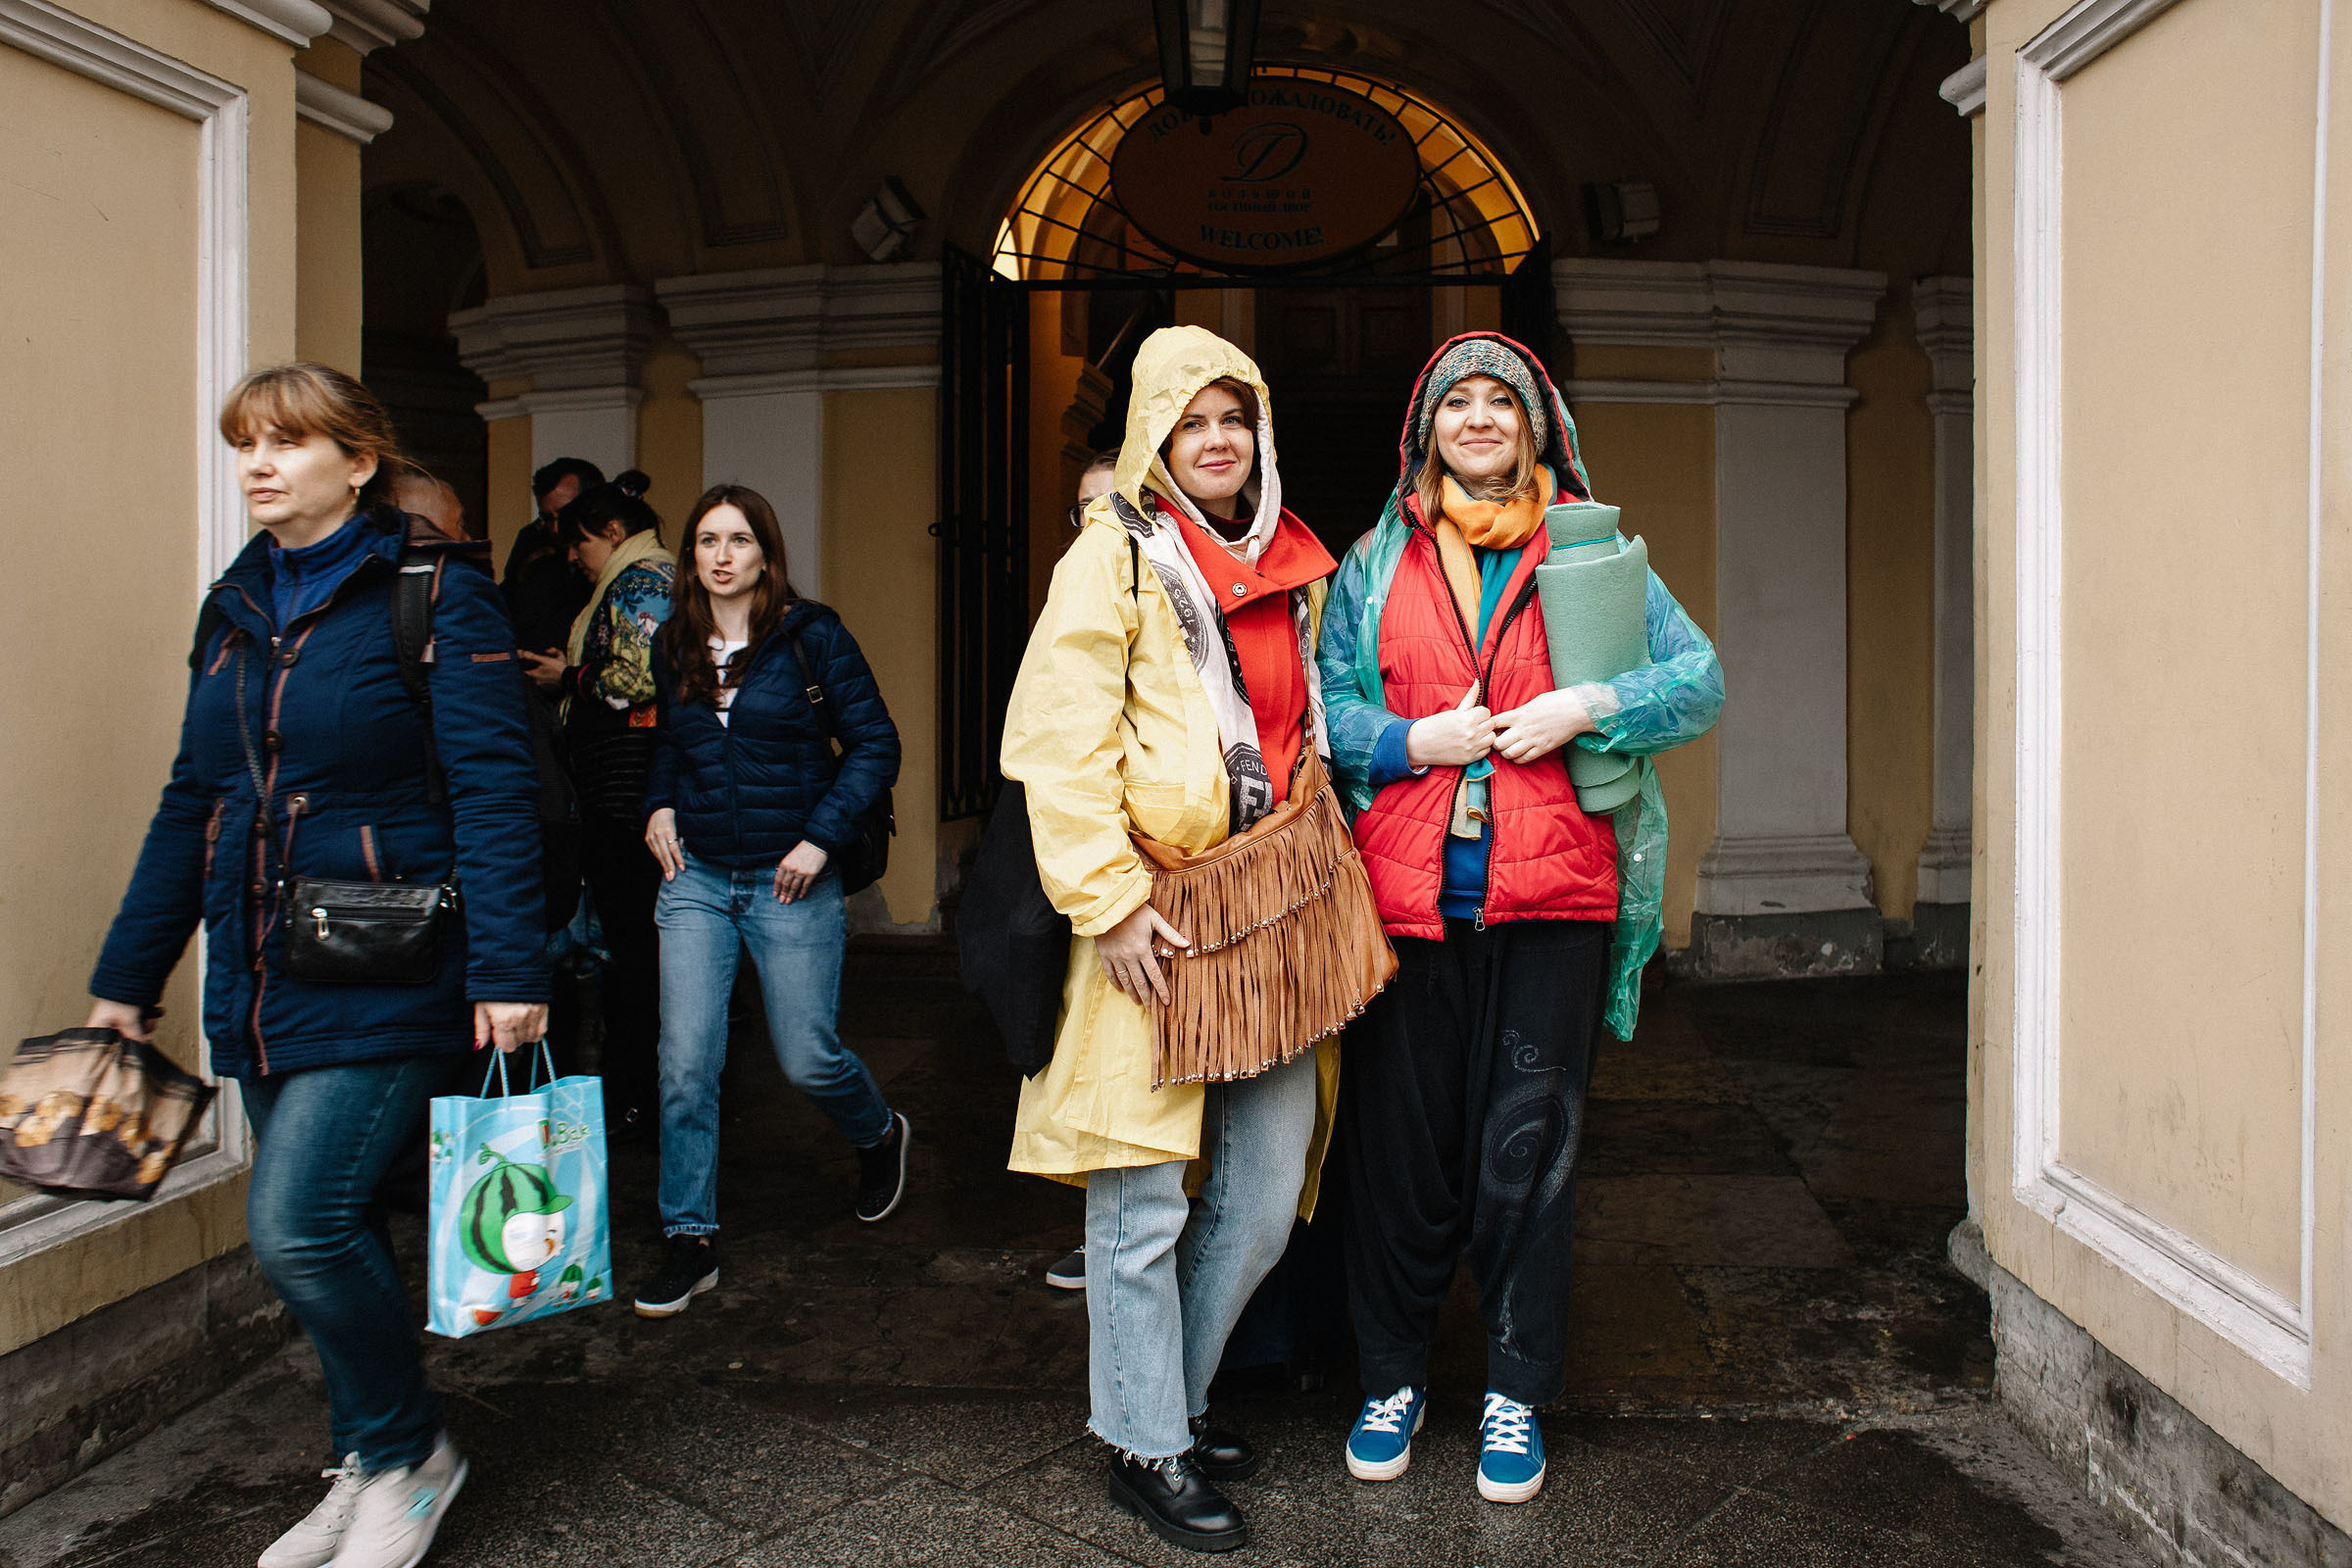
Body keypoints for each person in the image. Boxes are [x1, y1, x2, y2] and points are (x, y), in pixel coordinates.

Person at [85, 363, 547, 1568]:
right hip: (261, 967)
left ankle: (412, 1455)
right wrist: (127, 979)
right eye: (245, 442)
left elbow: (499, 792)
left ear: (358, 461)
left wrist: (512, 968)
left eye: (287, 441)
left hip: (395, 962)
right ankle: (372, 1456)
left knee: (296, 1226)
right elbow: (194, 800)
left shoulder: (436, 595)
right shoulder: (234, 606)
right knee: (328, 1226)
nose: (257, 463)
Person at [1317, 333, 1722, 1503]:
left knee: (1527, 1154)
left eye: (1504, 402)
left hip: (1551, 903)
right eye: (1460, 403)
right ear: (1426, 428)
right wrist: (1406, 741)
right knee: (1398, 1160)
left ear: (1538, 428)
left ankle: (1513, 1389)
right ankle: (1390, 1377)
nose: (1482, 419)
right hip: (1407, 906)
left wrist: (1589, 704)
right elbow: (1322, 705)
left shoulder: (1596, 554)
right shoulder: (1375, 560)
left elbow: (1698, 680)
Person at [1004, 326, 1366, 1554]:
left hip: (1267, 909)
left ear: (1259, 431)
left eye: (1235, 418)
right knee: (1142, 1200)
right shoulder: (1112, 556)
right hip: (1150, 915)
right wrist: (1104, 900)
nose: (1217, 440)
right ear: (1155, 437)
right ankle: (1147, 1441)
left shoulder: (1294, 559)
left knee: (1263, 1191)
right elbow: (1058, 737)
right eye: (1192, 420)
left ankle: (1177, 1397)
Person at [630, 484, 908, 1316]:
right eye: (706, 540)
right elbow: (670, 751)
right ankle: (689, 1238)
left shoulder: (811, 636)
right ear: (691, 558)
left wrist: (819, 837)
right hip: (699, 881)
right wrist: (657, 805)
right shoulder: (673, 643)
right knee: (684, 1064)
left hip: (793, 881)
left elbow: (874, 745)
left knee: (806, 1057)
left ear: (765, 554)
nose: (721, 555)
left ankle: (879, 1131)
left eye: (738, 540)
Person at [519, 471, 673, 1141]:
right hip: (622, 786)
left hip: (627, 787)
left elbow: (641, 678)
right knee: (634, 948)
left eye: (580, 544)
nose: (575, 559)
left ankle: (639, 1097)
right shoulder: (640, 576)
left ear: (612, 533)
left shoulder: (640, 580)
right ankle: (637, 1092)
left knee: (637, 950)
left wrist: (568, 677)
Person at [1044, 447, 1122, 1298]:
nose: (1095, 523)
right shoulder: (1079, 587)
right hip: (1093, 869)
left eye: (1112, 503)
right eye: (1082, 509)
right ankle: (1104, 1225)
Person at [504, 457, 601, 657]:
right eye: (547, 518)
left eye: (565, 515)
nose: (557, 529)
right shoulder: (531, 540)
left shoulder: (611, 545)